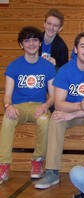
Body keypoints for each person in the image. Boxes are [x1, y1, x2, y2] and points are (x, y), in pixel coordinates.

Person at [34, 31, 84, 189]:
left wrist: (76, 113)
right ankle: (52, 171)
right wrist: (77, 106)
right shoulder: (65, 70)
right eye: (83, 46)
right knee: (55, 119)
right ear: (75, 49)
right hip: (70, 111)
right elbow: (58, 103)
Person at [0, 26, 56, 184]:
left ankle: (38, 161)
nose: (31, 43)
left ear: (39, 43)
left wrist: (45, 105)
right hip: (19, 106)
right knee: (7, 119)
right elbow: (8, 96)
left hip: (39, 105)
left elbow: (53, 95)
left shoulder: (47, 67)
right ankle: (3, 164)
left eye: (34, 40)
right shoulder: (14, 66)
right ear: (21, 45)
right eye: (27, 40)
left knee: (45, 121)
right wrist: (7, 106)